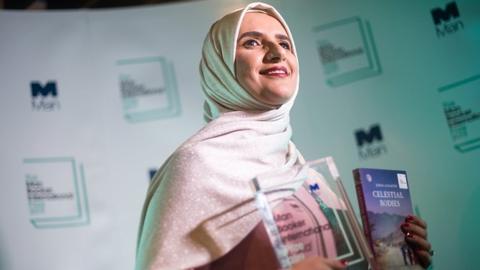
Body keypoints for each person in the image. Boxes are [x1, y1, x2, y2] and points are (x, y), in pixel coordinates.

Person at [135, 2, 432, 270]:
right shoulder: (196, 164)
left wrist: (395, 258)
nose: (277, 53)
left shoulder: (299, 166)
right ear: (221, 64)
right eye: (252, 42)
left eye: (285, 44)